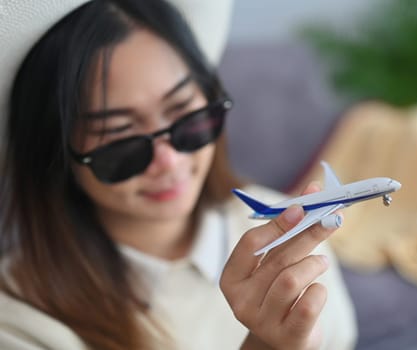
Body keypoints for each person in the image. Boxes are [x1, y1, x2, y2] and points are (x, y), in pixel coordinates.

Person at [0, 0, 357, 349]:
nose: (168, 161)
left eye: (186, 117)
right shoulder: (19, 319)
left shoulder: (297, 232)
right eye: (122, 142)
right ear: (56, 152)